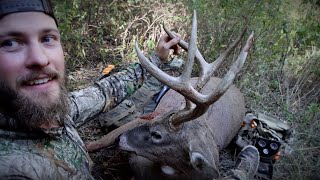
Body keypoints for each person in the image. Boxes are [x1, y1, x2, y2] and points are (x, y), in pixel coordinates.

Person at [0, 0, 260, 179]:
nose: (39, 58)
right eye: (10, 42)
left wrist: (156, 59)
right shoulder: (14, 169)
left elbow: (104, 92)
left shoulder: (52, 109)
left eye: (47, 38)